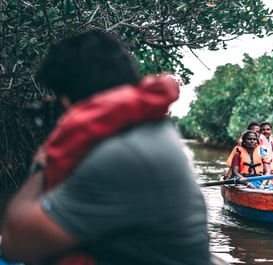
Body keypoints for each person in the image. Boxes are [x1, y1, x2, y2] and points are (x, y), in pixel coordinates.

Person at [0, 30, 211, 265]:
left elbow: (15, 244)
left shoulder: (122, 153)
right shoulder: (148, 129)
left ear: (67, 100)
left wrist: (41, 164)